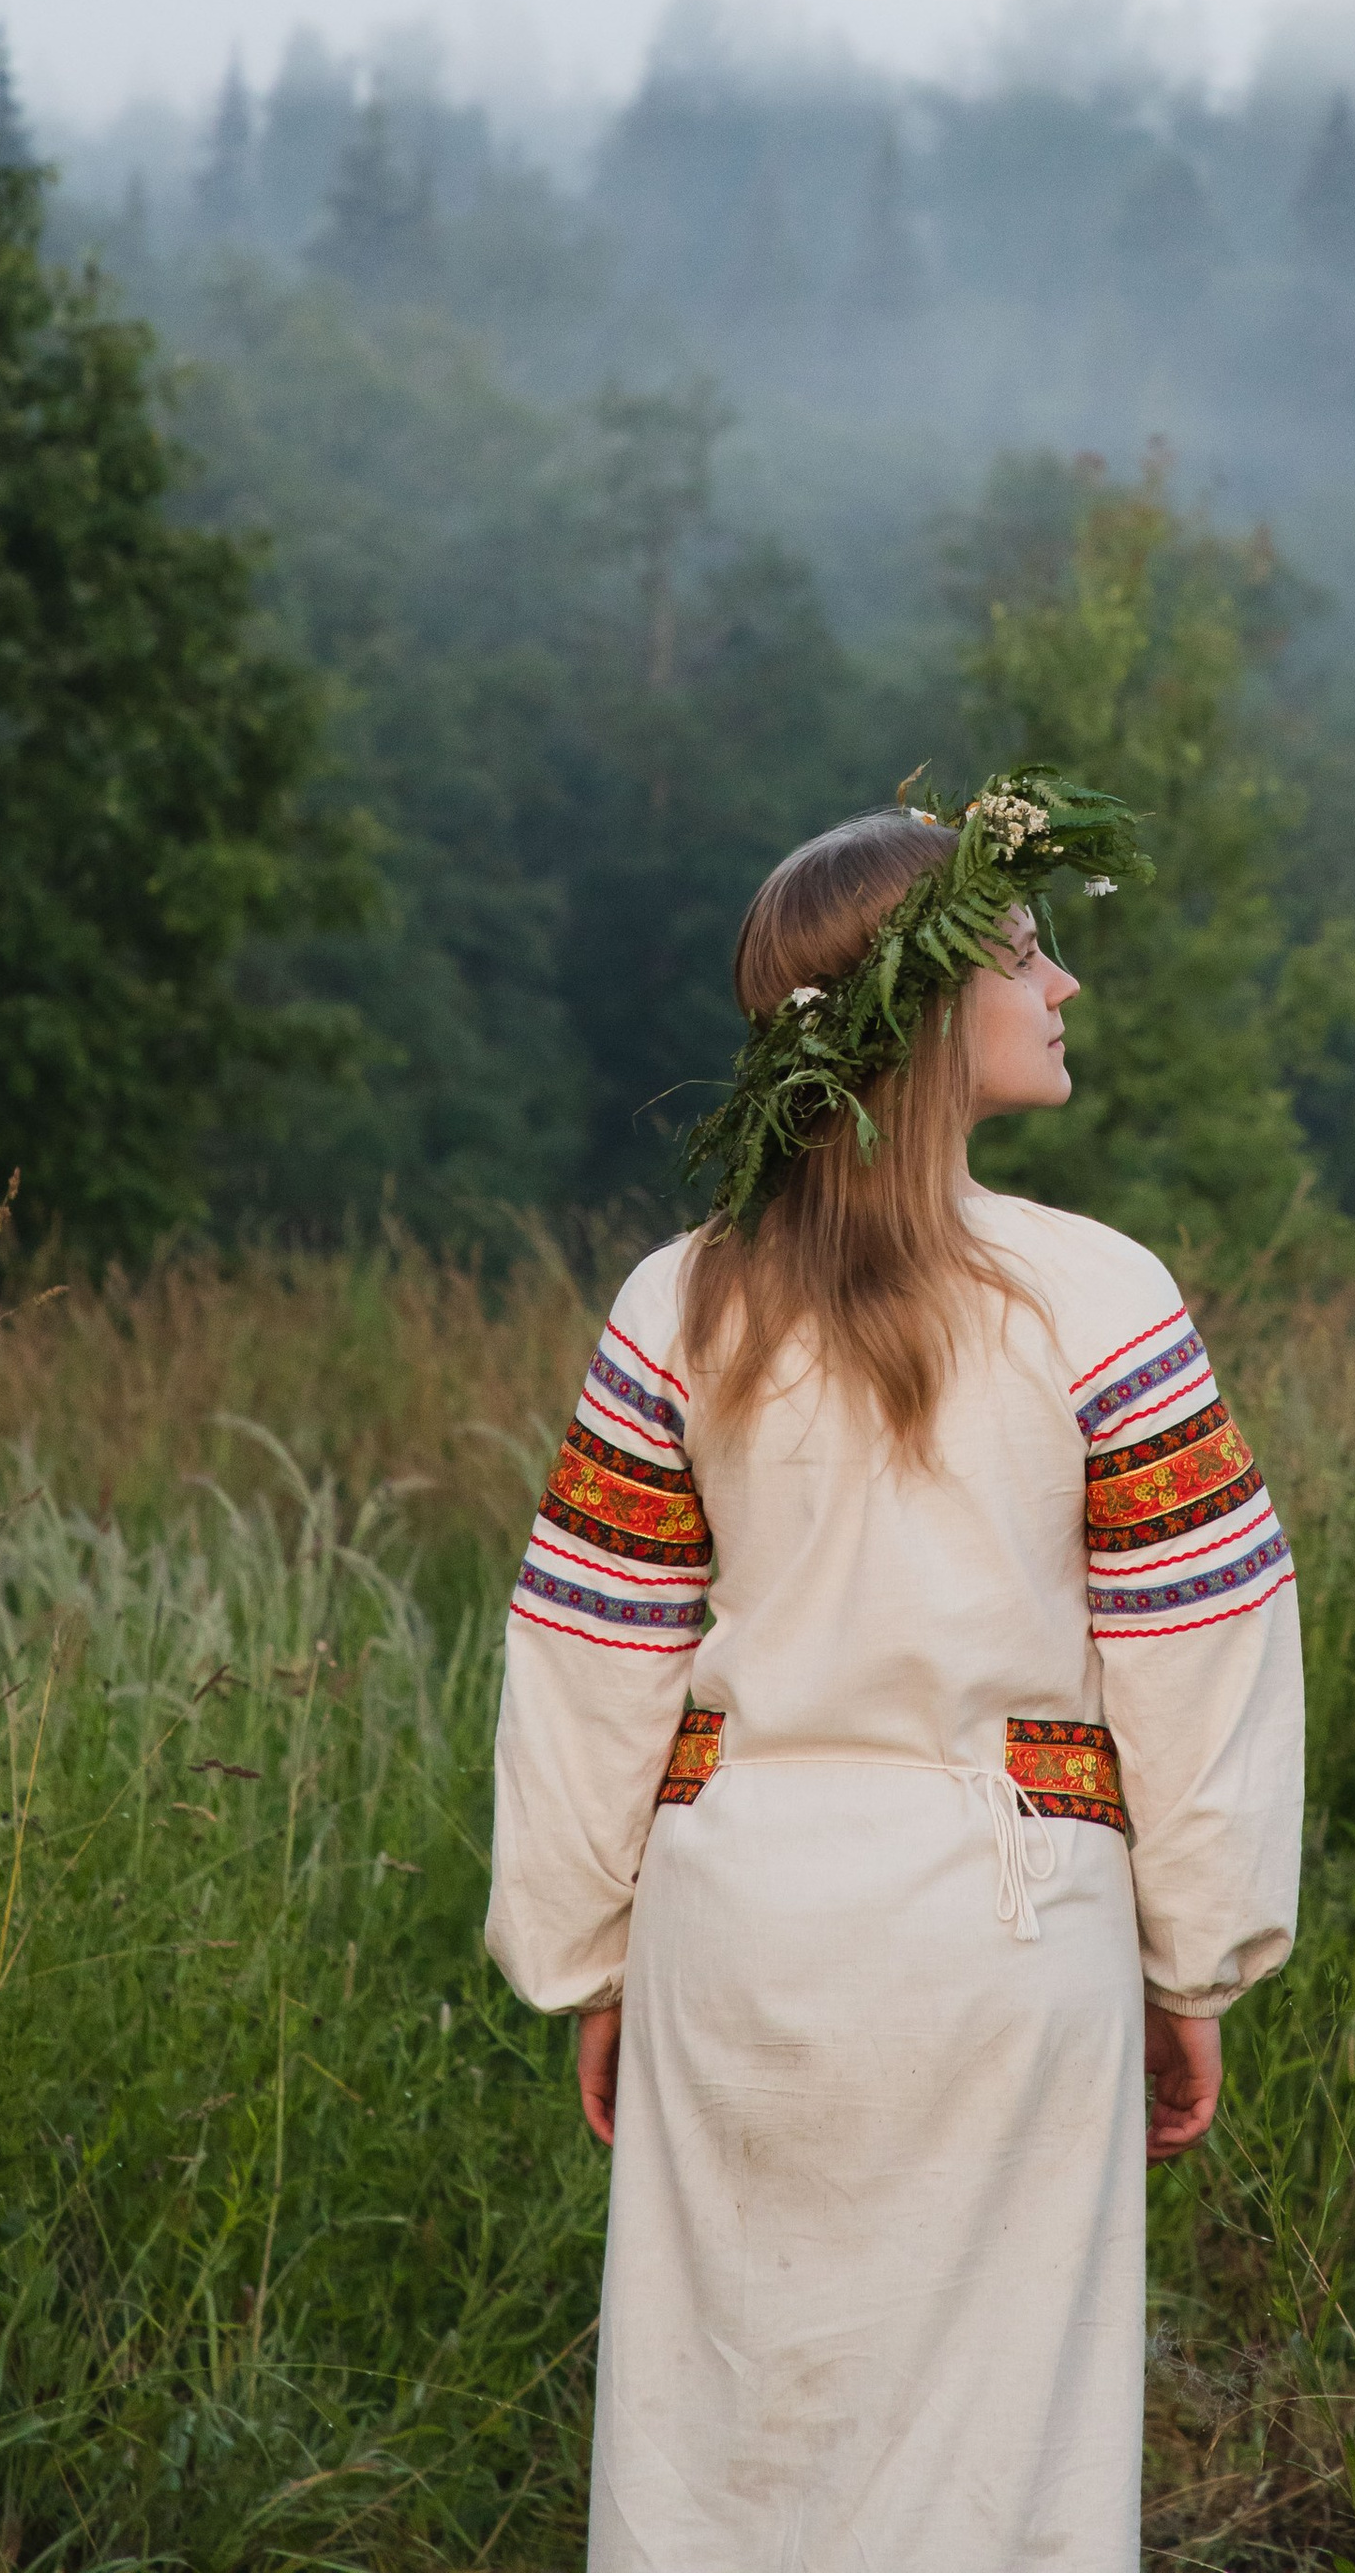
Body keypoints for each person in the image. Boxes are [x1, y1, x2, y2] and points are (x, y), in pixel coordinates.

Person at [486, 771, 1304, 2572]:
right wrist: (1199, 1962)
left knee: (727, 2450)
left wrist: (587, 1953)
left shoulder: (671, 1302)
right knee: (994, 2467)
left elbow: (588, 1658)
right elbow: (1202, 1645)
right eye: (1030, 950)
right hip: (1009, 1934)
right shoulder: (1100, 1296)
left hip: (736, 1927)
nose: (1065, 986)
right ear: (932, 1011)